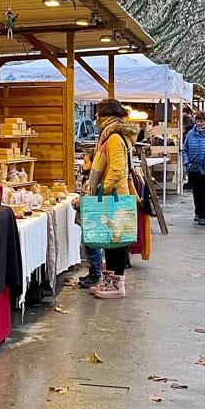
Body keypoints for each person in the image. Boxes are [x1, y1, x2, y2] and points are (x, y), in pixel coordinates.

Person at [79, 99, 137, 299]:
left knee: (116, 241)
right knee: (111, 240)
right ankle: (109, 280)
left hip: (116, 197)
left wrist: (103, 190)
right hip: (118, 194)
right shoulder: (114, 136)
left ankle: (117, 285)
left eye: (98, 114)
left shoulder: (113, 138)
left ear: (105, 115)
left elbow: (117, 169)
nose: (95, 118)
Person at [77, 150, 104, 288]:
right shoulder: (88, 180)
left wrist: (77, 203)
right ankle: (93, 272)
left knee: (91, 248)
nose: (83, 164)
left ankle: (95, 274)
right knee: (90, 247)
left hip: (91, 220)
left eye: (86, 162)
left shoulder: (91, 182)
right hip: (89, 219)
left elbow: (88, 201)